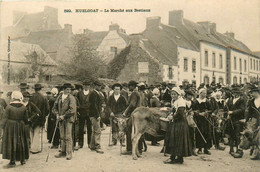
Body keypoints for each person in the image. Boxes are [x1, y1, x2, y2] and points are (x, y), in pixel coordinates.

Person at [0, 91, 29, 168]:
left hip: (11, 127)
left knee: (12, 142)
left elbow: (4, 119)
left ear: (13, 97)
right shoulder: (23, 107)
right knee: (21, 141)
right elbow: (26, 119)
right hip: (21, 126)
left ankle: (12, 161)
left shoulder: (8, 107)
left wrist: (1, 126)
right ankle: (22, 159)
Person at [164, 87, 192, 164]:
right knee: (177, 140)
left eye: (174, 94)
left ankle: (173, 158)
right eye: (172, 94)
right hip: (177, 122)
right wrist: (171, 113)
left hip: (180, 123)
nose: (173, 96)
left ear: (178, 94)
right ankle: (179, 158)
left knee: (176, 139)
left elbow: (180, 113)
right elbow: (175, 110)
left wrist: (172, 117)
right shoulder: (175, 101)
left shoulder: (181, 101)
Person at [53, 83, 77, 160]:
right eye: (67, 89)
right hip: (60, 119)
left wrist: (64, 116)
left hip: (68, 119)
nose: (69, 91)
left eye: (70, 89)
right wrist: (57, 114)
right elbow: (54, 107)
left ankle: (69, 153)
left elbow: (72, 110)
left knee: (68, 136)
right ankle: (63, 151)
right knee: (62, 136)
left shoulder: (71, 98)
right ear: (63, 89)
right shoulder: (60, 97)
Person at [225, 85, 246, 158]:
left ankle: (238, 150)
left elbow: (242, 109)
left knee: (237, 135)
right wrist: (227, 114)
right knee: (231, 135)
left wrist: (232, 112)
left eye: (235, 92)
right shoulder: (230, 100)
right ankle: (231, 149)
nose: (234, 93)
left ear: (239, 93)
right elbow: (226, 109)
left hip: (238, 120)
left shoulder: (242, 100)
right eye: (233, 92)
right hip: (230, 120)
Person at [122, 80, 141, 155]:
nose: (128, 88)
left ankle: (129, 149)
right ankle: (139, 148)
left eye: (129, 86)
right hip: (138, 114)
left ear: (132, 86)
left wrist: (125, 112)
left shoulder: (134, 93)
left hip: (134, 114)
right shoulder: (137, 93)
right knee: (137, 131)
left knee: (128, 130)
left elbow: (132, 104)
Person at [30, 83, 49, 154]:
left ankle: (32, 146)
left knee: (31, 132)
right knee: (37, 133)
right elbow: (47, 109)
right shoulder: (44, 98)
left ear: (34, 89)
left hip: (32, 117)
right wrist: (44, 115)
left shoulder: (31, 97)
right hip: (40, 117)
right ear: (41, 89)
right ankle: (35, 148)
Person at [192, 88, 212, 155]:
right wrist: (199, 113)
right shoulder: (195, 101)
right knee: (200, 133)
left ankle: (206, 149)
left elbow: (210, 109)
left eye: (206, 93)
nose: (205, 94)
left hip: (206, 119)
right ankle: (200, 149)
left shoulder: (207, 101)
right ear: (200, 93)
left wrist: (206, 112)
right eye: (204, 93)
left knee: (207, 133)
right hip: (198, 120)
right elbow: (193, 110)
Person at [88, 80, 104, 154]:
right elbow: (93, 106)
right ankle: (97, 146)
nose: (100, 87)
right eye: (98, 86)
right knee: (98, 131)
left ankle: (92, 145)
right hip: (94, 115)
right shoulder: (93, 94)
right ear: (95, 86)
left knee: (94, 130)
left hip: (94, 114)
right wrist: (97, 115)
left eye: (100, 86)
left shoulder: (97, 93)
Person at [76, 81, 92, 149]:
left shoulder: (92, 93)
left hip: (89, 113)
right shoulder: (79, 93)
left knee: (89, 129)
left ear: (89, 86)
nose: (86, 86)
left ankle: (90, 143)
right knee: (80, 129)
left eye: (88, 85)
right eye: (85, 85)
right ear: (83, 86)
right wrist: (78, 110)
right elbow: (77, 102)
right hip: (81, 113)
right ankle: (80, 144)